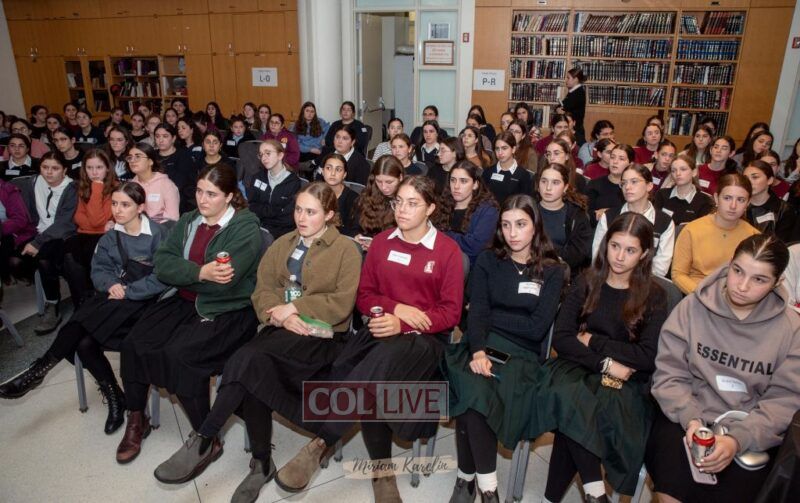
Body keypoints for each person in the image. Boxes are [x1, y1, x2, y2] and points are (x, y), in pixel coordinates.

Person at [152, 182, 362, 501]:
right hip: (281, 330)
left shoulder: (346, 249)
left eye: (311, 212)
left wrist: (294, 308)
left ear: (330, 214)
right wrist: (280, 316)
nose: (301, 217)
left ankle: (209, 438)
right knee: (252, 366)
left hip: (322, 337)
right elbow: (262, 290)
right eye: (298, 210)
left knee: (248, 361)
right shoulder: (282, 244)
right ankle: (257, 461)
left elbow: (341, 303)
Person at [274, 175, 464, 501]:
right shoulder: (383, 242)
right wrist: (397, 309)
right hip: (379, 331)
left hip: (425, 341)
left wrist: (402, 324)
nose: (402, 210)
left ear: (431, 208)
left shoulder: (447, 250)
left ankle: (321, 442)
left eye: (412, 203)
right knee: (366, 369)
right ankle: (382, 470)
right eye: (398, 202)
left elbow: (450, 314)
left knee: (378, 364)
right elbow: (364, 297)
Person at [116, 164, 261, 464]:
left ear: (229, 197)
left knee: (181, 356)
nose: (202, 199)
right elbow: (162, 263)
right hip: (183, 300)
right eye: (199, 191)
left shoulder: (245, 226)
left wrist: (188, 274)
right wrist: (200, 272)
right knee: (134, 344)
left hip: (227, 308)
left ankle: (207, 436)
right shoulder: (189, 220)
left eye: (212, 194)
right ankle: (137, 418)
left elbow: (224, 281)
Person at [0, 182, 169, 435]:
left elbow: (163, 276)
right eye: (114, 204)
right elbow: (98, 270)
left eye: (125, 205)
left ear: (141, 207)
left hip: (144, 304)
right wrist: (111, 284)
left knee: (82, 321)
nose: (118, 210)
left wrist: (128, 291)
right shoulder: (110, 236)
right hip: (114, 300)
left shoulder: (158, 235)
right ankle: (114, 396)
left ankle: (38, 370)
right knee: (83, 342)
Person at [648, 234, 800, 503]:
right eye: (737, 271)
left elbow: (783, 401)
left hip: (751, 427)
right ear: (729, 264)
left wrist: (737, 439)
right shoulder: (693, 307)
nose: (742, 286)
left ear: (777, 282)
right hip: (687, 415)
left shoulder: (791, 329)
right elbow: (670, 373)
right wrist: (691, 419)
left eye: (759, 279)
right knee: (672, 485)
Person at [532, 212, 668, 501]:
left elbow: (646, 356)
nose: (619, 256)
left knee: (574, 413)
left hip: (626, 382)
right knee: (571, 400)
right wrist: (605, 363)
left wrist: (593, 340)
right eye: (615, 246)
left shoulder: (654, 295)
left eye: (630, 250)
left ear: (644, 254)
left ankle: (553, 498)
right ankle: (595, 492)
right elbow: (562, 338)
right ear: (606, 244)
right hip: (579, 367)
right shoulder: (587, 281)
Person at [445, 194, 564, 502]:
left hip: (522, 355)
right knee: (473, 388)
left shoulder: (552, 270)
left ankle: (466, 479)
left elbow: (537, 328)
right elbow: (475, 316)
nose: (512, 233)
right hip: (481, 345)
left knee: (475, 397)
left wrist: (488, 315)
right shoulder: (488, 261)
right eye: (506, 225)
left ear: (536, 226)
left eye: (521, 224)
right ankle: (488, 489)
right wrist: (478, 351)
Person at [17, 152, 78, 333]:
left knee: (45, 259)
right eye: (45, 167)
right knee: (13, 259)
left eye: (55, 168)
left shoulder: (72, 188)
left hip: (62, 235)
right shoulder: (33, 182)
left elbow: (65, 223)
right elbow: (27, 213)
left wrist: (37, 242)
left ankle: (53, 304)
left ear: (64, 170)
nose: (49, 172)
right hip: (38, 232)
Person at [671, 173, 760, 294]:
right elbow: (678, 274)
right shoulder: (692, 230)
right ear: (717, 198)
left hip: (737, 295)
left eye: (740, 200)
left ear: (748, 203)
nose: (733, 206)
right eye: (727, 198)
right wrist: (703, 295)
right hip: (697, 293)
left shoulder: (754, 237)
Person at [592, 165, 676, 278]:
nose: (627, 187)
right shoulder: (609, 216)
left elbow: (660, 267)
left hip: (645, 281)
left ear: (649, 186)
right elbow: (597, 256)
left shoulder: (665, 222)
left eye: (634, 182)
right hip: (609, 278)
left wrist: (631, 279)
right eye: (624, 183)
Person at [62, 150, 118, 309]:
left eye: (99, 167)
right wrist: (97, 223)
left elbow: (95, 220)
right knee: (68, 255)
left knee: (93, 252)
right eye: (89, 168)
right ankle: (81, 303)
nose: (94, 172)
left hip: (106, 236)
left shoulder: (116, 188)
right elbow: (78, 218)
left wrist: (97, 188)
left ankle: (94, 301)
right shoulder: (83, 187)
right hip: (84, 234)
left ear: (107, 168)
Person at [436, 159, 499, 264]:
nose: (456, 186)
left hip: (473, 267)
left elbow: (475, 246)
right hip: (439, 261)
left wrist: (441, 235)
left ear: (475, 184)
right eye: (453, 180)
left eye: (463, 181)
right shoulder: (443, 203)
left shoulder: (488, 210)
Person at [536, 162, 592, 277]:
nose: (548, 188)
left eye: (555, 183)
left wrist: (546, 257)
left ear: (565, 187)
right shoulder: (528, 211)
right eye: (544, 181)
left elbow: (578, 253)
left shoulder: (577, 215)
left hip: (563, 274)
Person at [246, 139, 302, 238]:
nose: (264, 158)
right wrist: (276, 210)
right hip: (258, 226)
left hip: (282, 233)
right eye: (261, 154)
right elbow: (252, 206)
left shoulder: (293, 182)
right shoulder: (257, 177)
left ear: (280, 155)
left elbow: (289, 218)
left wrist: (264, 214)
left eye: (268, 153)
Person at [354, 156, 402, 251]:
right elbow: (355, 226)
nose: (383, 187)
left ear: (400, 178)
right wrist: (357, 236)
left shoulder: (408, 201)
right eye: (379, 181)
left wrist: (378, 245)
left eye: (389, 182)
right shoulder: (367, 195)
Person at [653, 154, 714, 227]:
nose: (678, 174)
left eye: (683, 169)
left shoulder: (705, 200)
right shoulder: (661, 194)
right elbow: (655, 223)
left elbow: (701, 229)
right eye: (673, 170)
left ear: (694, 172)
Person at [743, 160, 797, 242]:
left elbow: (781, 244)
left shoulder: (784, 210)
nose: (749, 182)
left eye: (755, 177)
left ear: (770, 180)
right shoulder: (738, 205)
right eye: (745, 178)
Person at [128, 143, 180, 224]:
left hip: (161, 230)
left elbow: (172, 219)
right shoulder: (130, 185)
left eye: (138, 157)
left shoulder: (166, 184)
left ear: (150, 161)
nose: (132, 161)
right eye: (130, 157)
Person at [0, 176, 36, 284]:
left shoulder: (8, 190)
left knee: (14, 262)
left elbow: (20, 220)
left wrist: (1, 228)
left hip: (16, 234)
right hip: (5, 236)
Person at [154, 122, 198, 213]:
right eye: (157, 136)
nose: (160, 140)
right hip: (153, 198)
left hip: (180, 200)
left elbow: (179, 184)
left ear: (173, 138)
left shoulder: (183, 156)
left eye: (165, 136)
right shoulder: (151, 156)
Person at [482, 131, 533, 205]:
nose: (500, 152)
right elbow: (482, 197)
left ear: (513, 149)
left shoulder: (523, 175)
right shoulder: (488, 172)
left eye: (504, 148)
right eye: (497, 149)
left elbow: (525, 203)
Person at [585, 143, 629, 222]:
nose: (615, 161)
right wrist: (596, 214)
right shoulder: (594, 184)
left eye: (621, 159)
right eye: (612, 157)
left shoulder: (632, 187)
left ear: (630, 163)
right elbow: (585, 214)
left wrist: (610, 213)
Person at [319, 152, 359, 236]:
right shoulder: (314, 193)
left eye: (338, 169)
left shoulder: (353, 199)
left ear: (344, 174)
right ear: (322, 171)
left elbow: (354, 231)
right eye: (328, 168)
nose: (333, 173)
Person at [557, 68, 587, 144]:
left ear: (576, 79)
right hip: (571, 127)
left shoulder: (578, 93)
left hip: (575, 129)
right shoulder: (573, 92)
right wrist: (559, 108)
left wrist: (561, 110)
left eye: (568, 78)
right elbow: (561, 106)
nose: (566, 80)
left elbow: (566, 108)